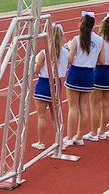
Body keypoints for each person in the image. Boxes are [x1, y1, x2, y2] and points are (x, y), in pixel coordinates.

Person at [64, 12, 103, 145]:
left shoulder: (76, 39)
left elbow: (69, 59)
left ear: (81, 23)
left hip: (75, 73)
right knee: (84, 107)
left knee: (73, 107)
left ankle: (69, 137)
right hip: (89, 75)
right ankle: (79, 137)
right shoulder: (99, 40)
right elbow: (102, 60)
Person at [31, 22, 66, 150]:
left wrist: (34, 67)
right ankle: (60, 141)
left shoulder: (44, 53)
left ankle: (40, 142)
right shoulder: (65, 52)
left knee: (41, 115)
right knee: (56, 115)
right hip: (57, 84)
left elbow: (36, 69)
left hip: (44, 84)